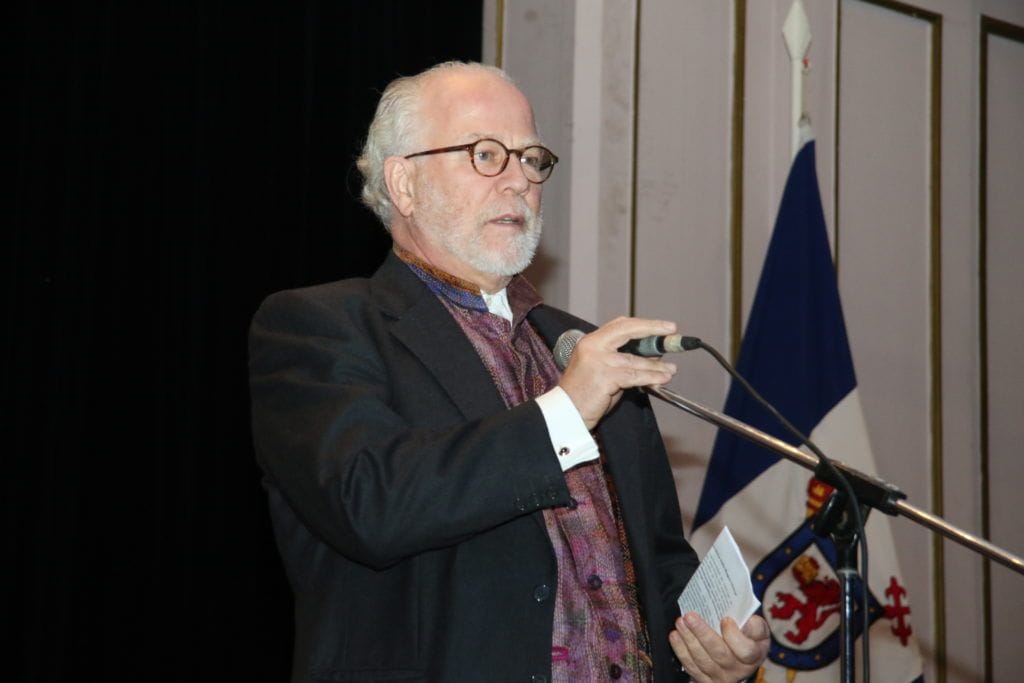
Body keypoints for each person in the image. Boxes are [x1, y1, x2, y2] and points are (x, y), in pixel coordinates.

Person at [248, 61, 769, 682]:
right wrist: (565, 411)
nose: (520, 180)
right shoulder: (321, 326)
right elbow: (370, 503)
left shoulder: (578, 346)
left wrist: (711, 645)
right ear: (404, 183)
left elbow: (655, 562)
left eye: (532, 159)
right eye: (487, 154)